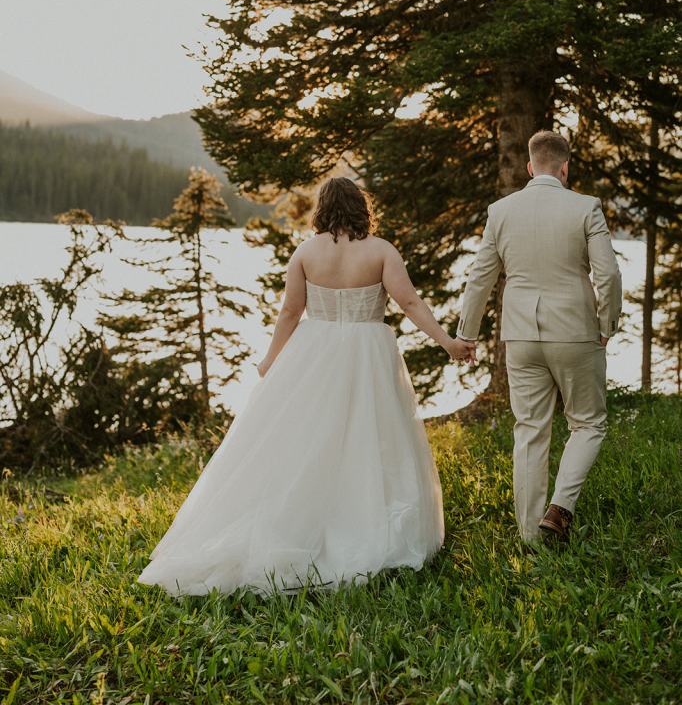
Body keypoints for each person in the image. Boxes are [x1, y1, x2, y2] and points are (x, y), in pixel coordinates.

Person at [137, 176, 473, 597]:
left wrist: (271, 361)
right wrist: (447, 343)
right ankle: (364, 523)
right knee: (370, 440)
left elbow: (291, 313)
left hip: (315, 352)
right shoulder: (381, 250)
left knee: (307, 440)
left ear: (322, 208)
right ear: (361, 207)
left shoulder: (305, 252)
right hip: (368, 350)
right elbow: (409, 304)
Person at [456, 130, 622, 544]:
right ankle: (560, 508)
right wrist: (607, 325)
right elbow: (609, 274)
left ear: (531, 167)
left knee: (530, 429)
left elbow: (480, 278)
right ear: (565, 168)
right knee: (588, 424)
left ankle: (530, 537)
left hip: (521, 336)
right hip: (575, 332)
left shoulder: (501, 211)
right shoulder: (586, 207)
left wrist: (468, 333)